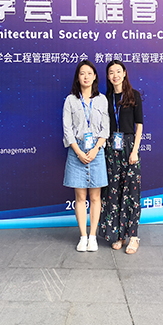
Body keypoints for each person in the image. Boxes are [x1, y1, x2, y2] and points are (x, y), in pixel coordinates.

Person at [63, 60, 109, 252]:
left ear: (95, 76)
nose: (86, 77)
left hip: (96, 150)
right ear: (78, 77)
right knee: (80, 197)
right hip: (77, 151)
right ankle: (83, 237)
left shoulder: (102, 99)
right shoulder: (70, 100)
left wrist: (96, 149)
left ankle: (93, 236)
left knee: (96, 197)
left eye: (89, 73)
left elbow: (105, 129)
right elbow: (67, 129)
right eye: (82, 73)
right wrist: (79, 152)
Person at [98, 60, 143, 254]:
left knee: (131, 192)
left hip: (129, 146)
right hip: (111, 147)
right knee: (113, 192)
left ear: (124, 73)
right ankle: (118, 235)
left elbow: (139, 126)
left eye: (118, 71)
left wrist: (134, 151)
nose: (115, 75)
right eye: (111, 72)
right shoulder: (105, 98)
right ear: (108, 77)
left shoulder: (134, 95)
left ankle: (133, 236)